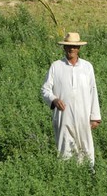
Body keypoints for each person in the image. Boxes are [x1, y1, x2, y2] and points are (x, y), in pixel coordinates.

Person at [41, 32, 101, 167]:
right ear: (64, 48)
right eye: (68, 46)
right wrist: (54, 100)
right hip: (63, 116)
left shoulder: (87, 67)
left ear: (78, 48)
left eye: (74, 46)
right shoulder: (56, 66)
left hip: (83, 116)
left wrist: (95, 117)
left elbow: (93, 91)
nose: (71, 49)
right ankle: (66, 176)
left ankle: (88, 175)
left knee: (85, 148)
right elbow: (45, 89)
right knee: (65, 148)